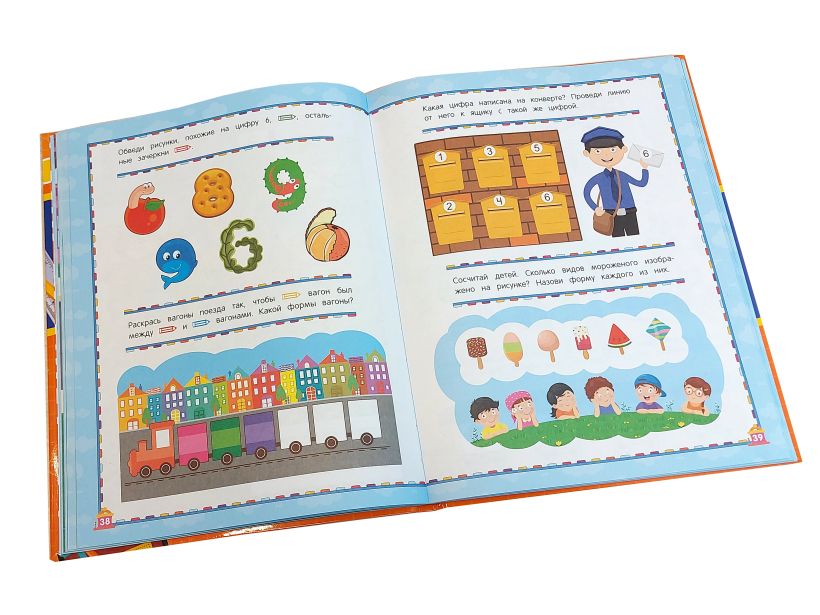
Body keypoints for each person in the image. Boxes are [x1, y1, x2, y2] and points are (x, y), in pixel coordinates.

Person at [581, 127, 649, 237]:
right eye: (598, 151)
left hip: (630, 211)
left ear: (623, 149)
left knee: (634, 235)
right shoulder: (598, 178)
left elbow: (641, 183)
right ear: (587, 153)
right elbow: (586, 193)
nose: (606, 155)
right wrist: (595, 208)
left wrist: (644, 169)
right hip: (611, 214)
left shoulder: (622, 175)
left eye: (613, 150)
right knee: (618, 237)